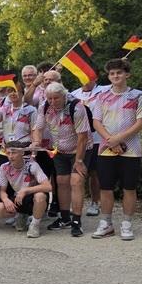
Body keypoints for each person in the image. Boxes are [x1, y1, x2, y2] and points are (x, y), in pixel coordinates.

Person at [91, 58, 142, 241]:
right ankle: (106, 224)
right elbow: (96, 121)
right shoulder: (101, 96)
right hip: (106, 148)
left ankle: (126, 224)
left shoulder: (138, 96)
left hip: (131, 150)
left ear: (127, 74)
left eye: (119, 72)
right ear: (108, 76)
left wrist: (119, 138)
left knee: (129, 188)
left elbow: (141, 122)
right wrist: (110, 140)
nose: (115, 76)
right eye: (112, 73)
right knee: (106, 187)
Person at [32, 82, 91, 237]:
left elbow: (83, 137)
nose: (52, 101)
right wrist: (36, 142)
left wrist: (79, 160)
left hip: (80, 149)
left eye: (56, 98)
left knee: (76, 181)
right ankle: (65, 218)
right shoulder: (44, 106)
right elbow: (38, 128)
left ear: (64, 96)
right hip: (59, 149)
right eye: (49, 98)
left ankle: (77, 221)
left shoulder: (76, 107)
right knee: (62, 181)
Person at [0, 142, 53, 238]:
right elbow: (2, 191)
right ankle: (20, 215)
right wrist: (6, 200)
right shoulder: (4, 167)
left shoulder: (32, 165)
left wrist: (26, 190)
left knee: (40, 196)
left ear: (22, 153)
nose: (10, 156)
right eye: (8, 153)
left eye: (14, 152)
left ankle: (35, 224)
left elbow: (48, 186)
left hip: (33, 197)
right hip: (19, 197)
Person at [71, 79, 111, 217]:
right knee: (78, 173)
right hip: (80, 140)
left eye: (89, 77)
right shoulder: (74, 94)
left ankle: (95, 202)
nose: (85, 80)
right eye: (82, 77)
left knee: (94, 173)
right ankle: (76, 205)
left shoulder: (104, 90)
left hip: (98, 139)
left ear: (96, 78)